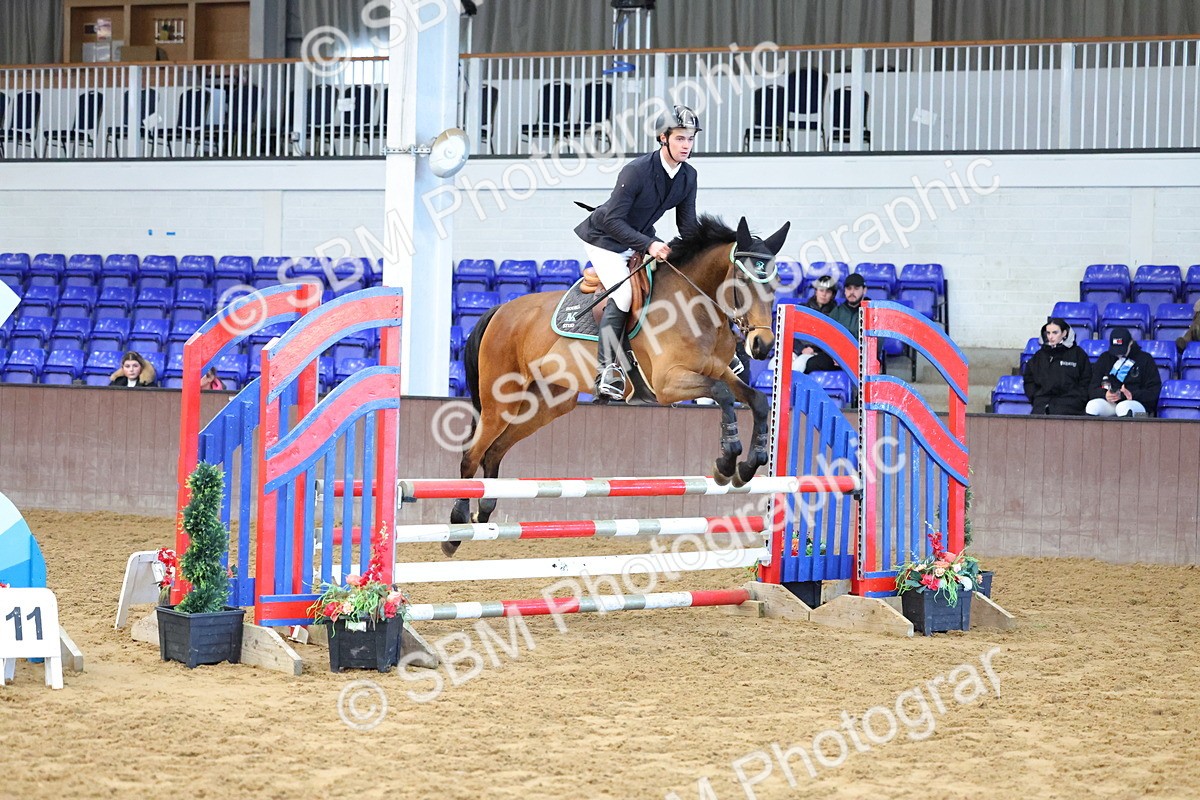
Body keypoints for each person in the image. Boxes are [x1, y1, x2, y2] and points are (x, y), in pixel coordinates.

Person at [574, 104, 702, 399]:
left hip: (640, 238)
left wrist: (705, 250)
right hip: (604, 239)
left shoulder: (688, 176)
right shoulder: (636, 171)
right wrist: (649, 244)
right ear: (663, 138)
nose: (686, 145)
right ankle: (606, 370)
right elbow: (612, 220)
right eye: (680, 138)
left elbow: (688, 226)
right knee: (623, 295)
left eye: (690, 138)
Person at [1085, 326, 1161, 417]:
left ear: (1130, 343)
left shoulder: (1145, 359)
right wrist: (1105, 394)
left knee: (1124, 408)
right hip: (1111, 403)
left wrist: (1132, 395)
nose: (1119, 354)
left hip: (1140, 408)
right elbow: (1092, 388)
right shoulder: (1105, 358)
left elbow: (1153, 392)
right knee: (1092, 406)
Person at [1022, 317, 1091, 415]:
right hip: (1041, 406)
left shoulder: (1078, 354)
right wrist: (1035, 396)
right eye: (1048, 333)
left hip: (1071, 406)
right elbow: (1029, 379)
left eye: (1055, 333)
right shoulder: (1039, 356)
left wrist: (1079, 399)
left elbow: (1086, 380)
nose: (1051, 337)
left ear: (1064, 333)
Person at [792, 275, 839, 373]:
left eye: (828, 291)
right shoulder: (802, 309)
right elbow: (791, 332)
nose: (824, 294)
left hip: (817, 353)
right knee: (775, 364)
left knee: (798, 365)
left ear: (832, 295)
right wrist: (801, 348)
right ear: (816, 291)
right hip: (797, 349)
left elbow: (831, 339)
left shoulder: (836, 313)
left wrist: (813, 349)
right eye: (821, 290)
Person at [830, 273, 867, 340]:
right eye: (849, 288)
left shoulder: (872, 313)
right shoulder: (837, 312)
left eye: (856, 288)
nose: (852, 292)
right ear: (845, 291)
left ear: (864, 290)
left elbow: (877, 343)